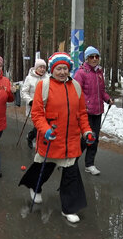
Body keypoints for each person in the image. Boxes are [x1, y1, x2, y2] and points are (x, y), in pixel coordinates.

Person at [19, 52, 94, 223]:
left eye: (65, 69)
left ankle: (69, 208)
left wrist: (87, 131)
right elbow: (37, 114)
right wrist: (45, 130)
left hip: (71, 141)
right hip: (51, 138)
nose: (62, 72)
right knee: (43, 168)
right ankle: (35, 187)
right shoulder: (43, 86)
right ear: (52, 70)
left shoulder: (75, 86)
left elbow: (82, 113)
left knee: (71, 174)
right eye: (58, 68)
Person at [74, 46, 114, 175]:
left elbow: (101, 91)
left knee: (95, 138)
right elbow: (76, 91)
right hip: (86, 111)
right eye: (92, 57)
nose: (95, 59)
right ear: (87, 58)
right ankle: (72, 160)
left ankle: (89, 164)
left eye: (97, 56)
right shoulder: (81, 73)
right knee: (87, 138)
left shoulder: (99, 72)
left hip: (98, 110)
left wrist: (107, 99)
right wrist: (82, 105)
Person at [20, 58, 49, 149]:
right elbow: (24, 92)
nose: (42, 69)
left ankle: (30, 136)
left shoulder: (48, 78)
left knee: (42, 126)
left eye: (44, 67)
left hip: (46, 107)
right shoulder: (29, 78)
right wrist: (30, 101)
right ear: (36, 68)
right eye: (40, 67)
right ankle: (40, 147)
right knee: (39, 126)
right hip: (33, 107)